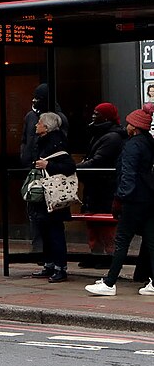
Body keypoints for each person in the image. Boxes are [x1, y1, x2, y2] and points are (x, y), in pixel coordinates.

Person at [85, 107, 154, 297]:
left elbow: (128, 174)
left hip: (133, 200)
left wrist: (120, 198)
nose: (127, 126)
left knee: (122, 240)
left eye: (130, 123)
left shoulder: (133, 145)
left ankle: (109, 283)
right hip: (148, 198)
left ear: (136, 126)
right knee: (151, 240)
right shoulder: (149, 142)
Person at [76, 102, 126, 267]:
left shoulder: (112, 137)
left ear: (105, 117)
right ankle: (96, 254)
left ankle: (107, 256)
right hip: (96, 186)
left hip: (104, 186)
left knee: (105, 222)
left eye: (96, 113)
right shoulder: (99, 133)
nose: (93, 115)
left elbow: (98, 160)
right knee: (93, 221)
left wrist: (77, 167)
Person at [27, 112, 74, 283]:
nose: (35, 125)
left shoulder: (56, 142)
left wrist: (48, 165)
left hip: (54, 196)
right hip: (45, 195)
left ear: (46, 127)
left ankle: (60, 267)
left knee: (54, 231)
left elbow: (69, 166)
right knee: (45, 230)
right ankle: (49, 264)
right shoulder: (42, 141)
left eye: (39, 123)